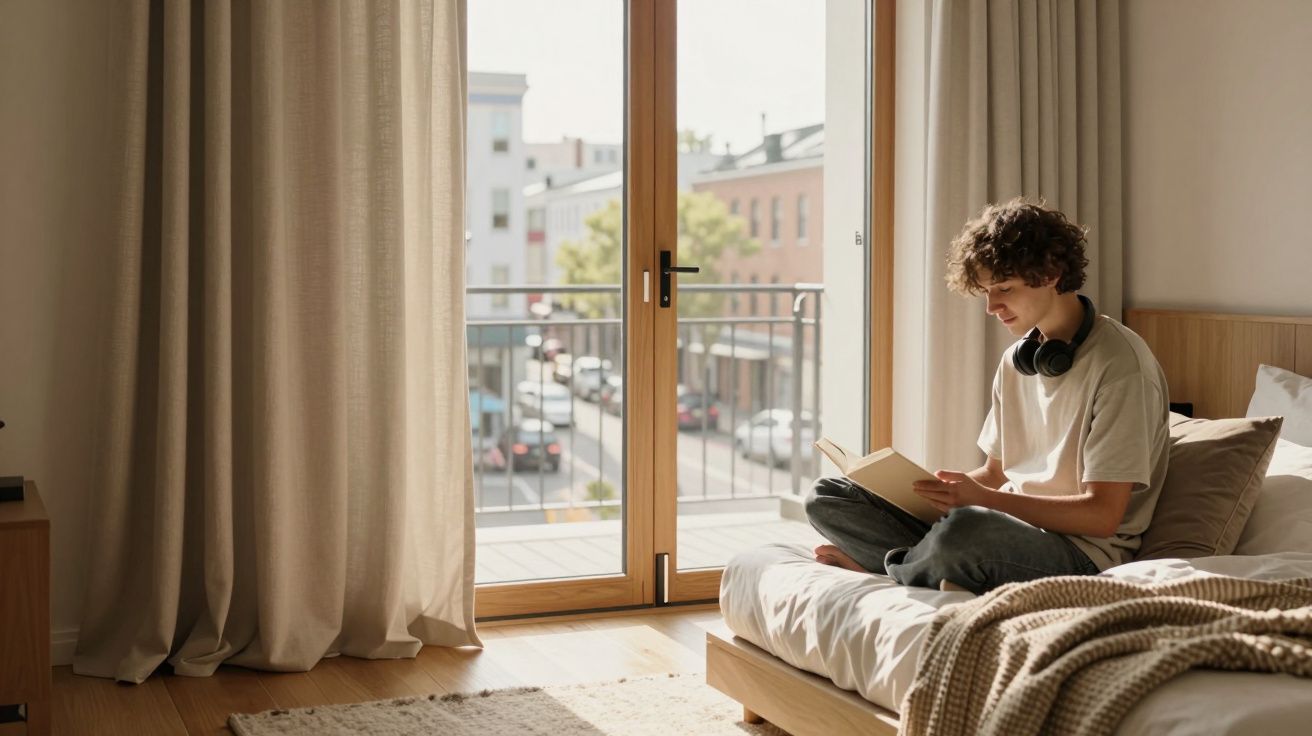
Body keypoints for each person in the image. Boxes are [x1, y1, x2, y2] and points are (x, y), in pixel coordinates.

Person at [805, 198, 1170, 594]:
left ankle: (885, 569)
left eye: (1004, 290)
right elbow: (996, 474)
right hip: (1004, 526)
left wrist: (983, 502)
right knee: (828, 495)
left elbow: (1102, 516)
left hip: (1079, 555)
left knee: (966, 532)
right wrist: (938, 490)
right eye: (985, 292)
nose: (991, 307)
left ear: (1050, 273)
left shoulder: (1121, 364)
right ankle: (921, 564)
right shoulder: (1018, 361)